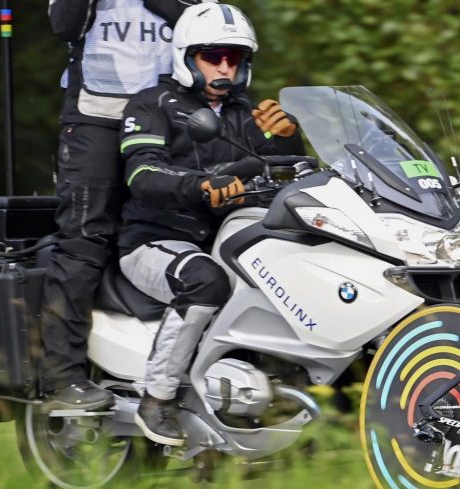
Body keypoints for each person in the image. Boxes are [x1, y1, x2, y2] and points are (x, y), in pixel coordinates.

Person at [116, 2, 305, 446]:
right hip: (155, 240)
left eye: (234, 58)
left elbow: (283, 168)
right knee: (205, 282)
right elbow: (143, 174)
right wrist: (201, 186)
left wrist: (288, 136)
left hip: (223, 237)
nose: (224, 66)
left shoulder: (244, 113)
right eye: (212, 55)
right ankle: (157, 399)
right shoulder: (151, 105)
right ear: (186, 56)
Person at [42, 0, 213, 412]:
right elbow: (65, 24)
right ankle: (62, 378)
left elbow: (205, 28)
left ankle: (176, 373)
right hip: (95, 117)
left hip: (167, 113)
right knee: (84, 240)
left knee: (182, 228)